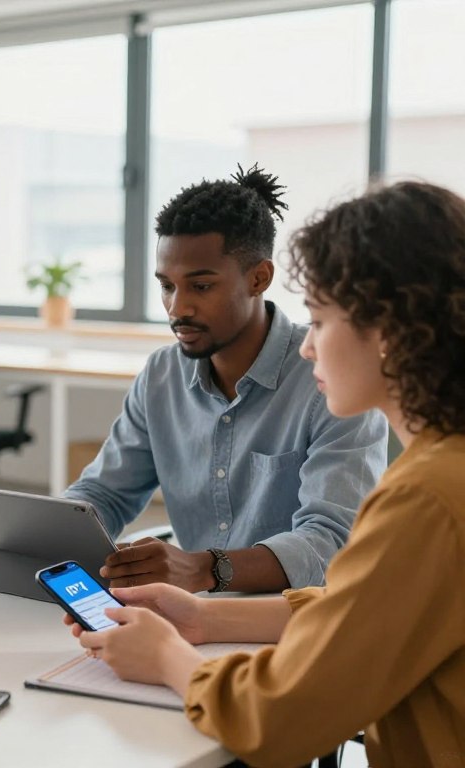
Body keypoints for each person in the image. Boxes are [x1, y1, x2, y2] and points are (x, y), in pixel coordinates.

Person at [72, 180, 465, 766]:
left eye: (322, 320)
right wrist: (201, 618)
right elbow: (356, 609)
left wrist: (168, 660)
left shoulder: (427, 499)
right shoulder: (444, 472)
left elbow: (280, 719)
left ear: (389, 333)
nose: (309, 348)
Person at [65, 165, 387, 593]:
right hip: (194, 612)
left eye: (200, 286)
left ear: (259, 278)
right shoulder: (162, 375)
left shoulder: (330, 381)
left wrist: (204, 569)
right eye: (166, 286)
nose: (178, 308)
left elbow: (331, 543)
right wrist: (50, 535)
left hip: (295, 620)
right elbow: (105, 493)